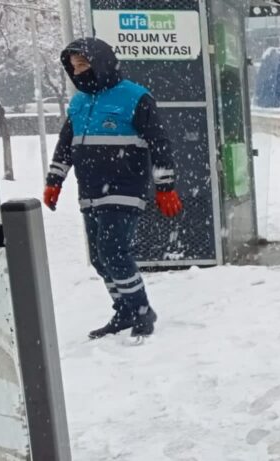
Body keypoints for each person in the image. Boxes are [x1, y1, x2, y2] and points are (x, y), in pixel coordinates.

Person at [42, 37, 183, 339]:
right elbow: (66, 145)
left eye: (84, 64)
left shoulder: (135, 97)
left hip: (125, 188)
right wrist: (55, 181)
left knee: (113, 250)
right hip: (90, 192)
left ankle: (141, 309)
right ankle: (124, 310)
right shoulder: (79, 103)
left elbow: (160, 143)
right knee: (98, 257)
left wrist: (165, 186)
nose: (79, 71)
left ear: (101, 62)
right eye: (74, 66)